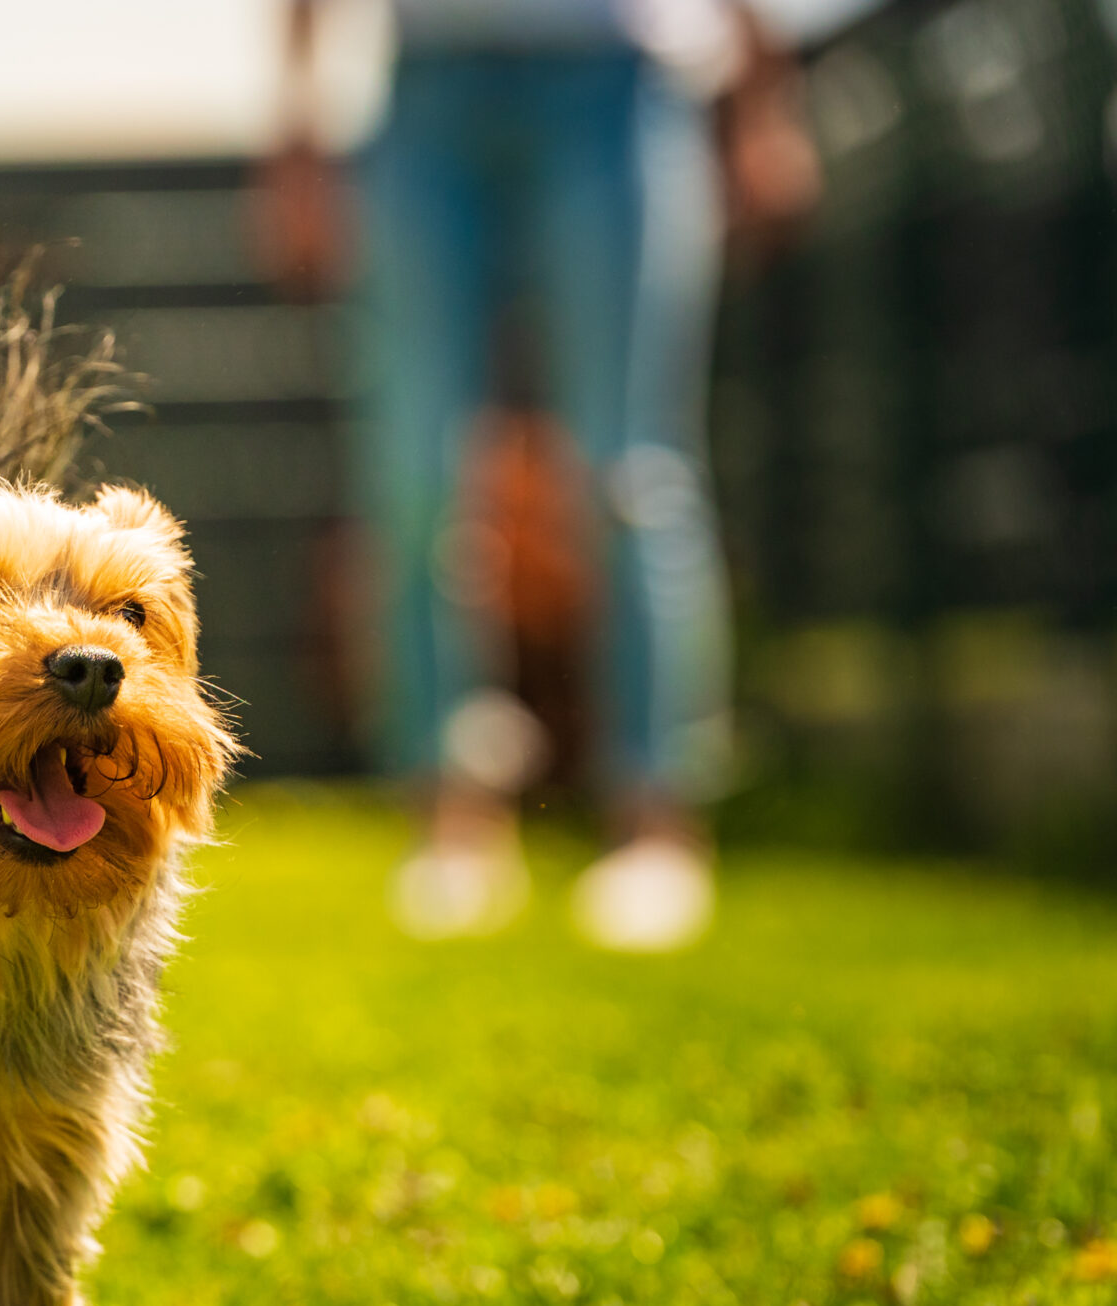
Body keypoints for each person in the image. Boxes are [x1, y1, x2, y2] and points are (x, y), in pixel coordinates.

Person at [258, 0, 835, 951]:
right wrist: (297, 135)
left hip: (617, 87)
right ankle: (455, 821)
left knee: (630, 472)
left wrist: (764, 95)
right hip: (426, 98)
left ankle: (657, 825)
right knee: (413, 480)